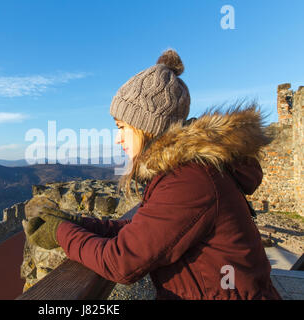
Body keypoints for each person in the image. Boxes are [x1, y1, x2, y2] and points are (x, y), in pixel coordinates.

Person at [24, 49, 282, 300]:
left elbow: (121, 262)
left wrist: (61, 233)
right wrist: (77, 222)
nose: (118, 138)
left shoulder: (190, 180)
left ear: (147, 127)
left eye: (122, 127)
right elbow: (141, 231)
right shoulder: (188, 172)